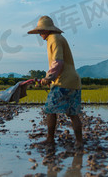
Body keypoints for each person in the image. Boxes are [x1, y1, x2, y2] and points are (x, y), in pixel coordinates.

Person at [28, 15, 83, 148]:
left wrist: (49, 78)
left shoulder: (54, 39)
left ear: (47, 30)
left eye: (41, 31)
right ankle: (79, 142)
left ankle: (50, 139)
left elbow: (58, 62)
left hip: (62, 81)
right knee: (73, 113)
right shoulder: (59, 38)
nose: (40, 34)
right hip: (74, 81)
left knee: (50, 110)